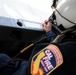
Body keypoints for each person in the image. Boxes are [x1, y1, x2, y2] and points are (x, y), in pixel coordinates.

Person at [0, 20, 76, 75]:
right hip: (24, 67)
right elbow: (56, 47)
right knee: (3, 58)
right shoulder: (69, 46)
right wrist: (49, 32)